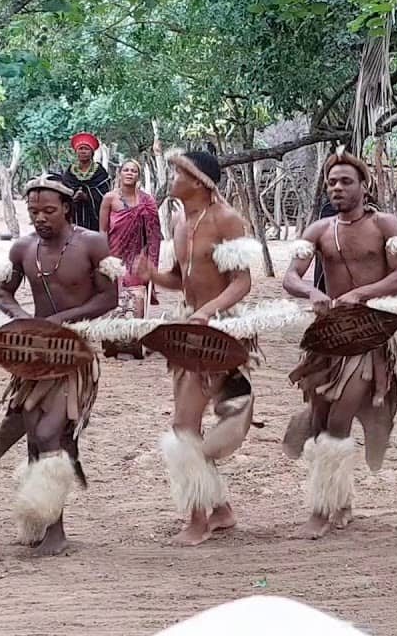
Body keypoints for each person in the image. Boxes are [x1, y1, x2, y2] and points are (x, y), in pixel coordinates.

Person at [135, 149, 264, 547]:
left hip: (220, 333)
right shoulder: (179, 221)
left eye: (177, 172)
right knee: (187, 424)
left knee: (183, 427)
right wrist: (153, 275)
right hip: (188, 333)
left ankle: (198, 521)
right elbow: (180, 278)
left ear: (198, 181)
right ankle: (221, 510)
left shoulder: (226, 219)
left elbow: (241, 282)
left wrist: (209, 311)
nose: (171, 178)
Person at [282, 151, 397, 539]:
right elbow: (290, 276)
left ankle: (320, 511)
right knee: (321, 419)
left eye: (345, 181)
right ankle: (340, 500)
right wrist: (311, 291)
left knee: (338, 419)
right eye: (332, 182)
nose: (337, 188)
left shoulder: (386, 225)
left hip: (368, 336)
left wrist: (361, 294)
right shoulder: (319, 230)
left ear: (364, 186)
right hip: (329, 336)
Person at [0, 174, 122, 556]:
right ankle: (36, 521)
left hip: (74, 354)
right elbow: (3, 293)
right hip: (35, 354)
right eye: (33, 211)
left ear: (66, 207)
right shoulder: (23, 248)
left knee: (50, 433)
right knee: (37, 436)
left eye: (48, 210)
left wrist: (62, 320)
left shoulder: (93, 243)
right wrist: (23, 319)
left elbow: (109, 298)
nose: (40, 218)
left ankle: (56, 532)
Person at [99, 157, 162, 358]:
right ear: (120, 174)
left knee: (135, 294)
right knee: (114, 295)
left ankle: (135, 339)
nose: (129, 173)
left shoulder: (147, 201)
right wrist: (103, 256)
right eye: (126, 170)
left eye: (133, 171)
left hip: (137, 255)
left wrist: (151, 259)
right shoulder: (109, 198)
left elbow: (154, 232)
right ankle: (111, 339)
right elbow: (103, 230)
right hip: (114, 253)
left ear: (138, 176)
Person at [57, 132, 110, 231]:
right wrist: (73, 198)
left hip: (95, 219)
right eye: (80, 149)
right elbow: (63, 192)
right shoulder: (70, 172)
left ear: (92, 152)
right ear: (76, 152)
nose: (83, 152)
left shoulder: (99, 171)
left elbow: (105, 194)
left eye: (86, 149)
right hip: (74, 217)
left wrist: (88, 197)